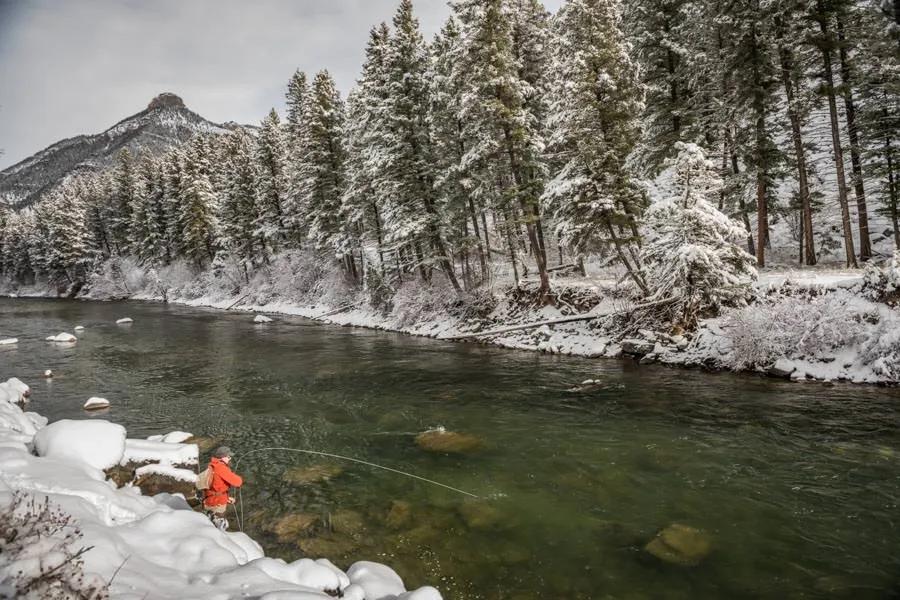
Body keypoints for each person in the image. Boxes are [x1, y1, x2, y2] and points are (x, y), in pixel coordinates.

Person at [203, 446, 243, 530]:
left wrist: (227, 498)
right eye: (228, 457)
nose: (230, 458)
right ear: (222, 457)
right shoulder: (221, 468)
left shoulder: (211, 465)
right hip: (217, 503)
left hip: (208, 499)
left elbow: (215, 486)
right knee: (220, 527)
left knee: (209, 524)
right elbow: (238, 482)